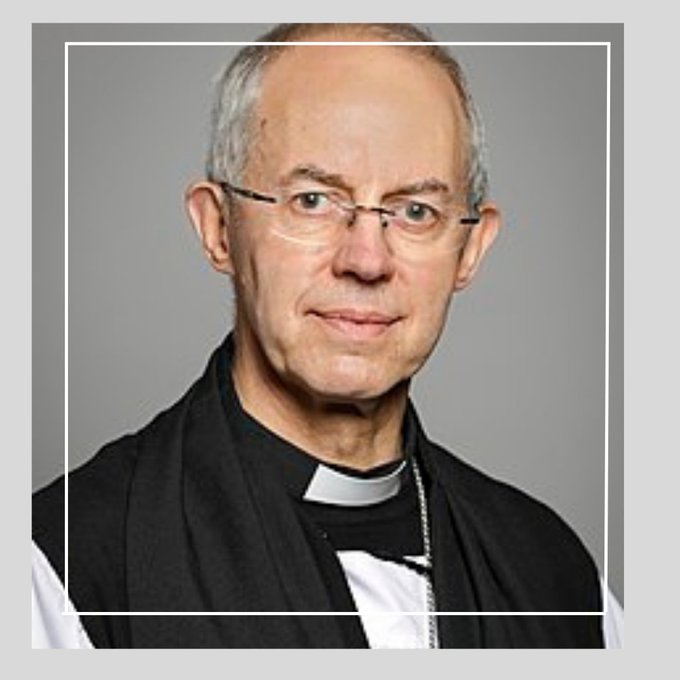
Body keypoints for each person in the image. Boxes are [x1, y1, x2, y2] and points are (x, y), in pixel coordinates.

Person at [32, 22, 623, 649]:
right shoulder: (62, 574)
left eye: (415, 211)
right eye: (312, 200)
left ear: (470, 249)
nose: (367, 260)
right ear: (218, 228)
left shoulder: (558, 579)